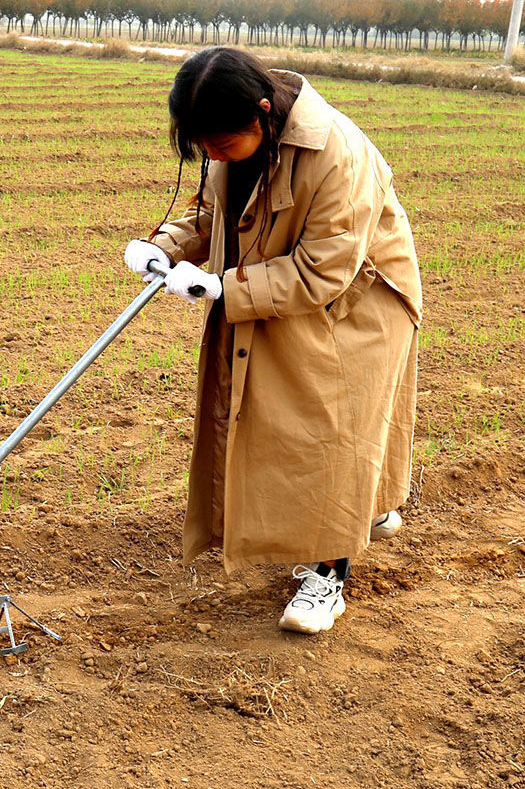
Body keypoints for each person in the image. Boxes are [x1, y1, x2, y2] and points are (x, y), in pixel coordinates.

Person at [124, 48, 422, 635]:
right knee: (274, 420)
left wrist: (219, 286)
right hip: (279, 286)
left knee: (329, 431)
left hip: (358, 304)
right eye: (201, 145)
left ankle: (328, 576)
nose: (211, 155)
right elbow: (210, 213)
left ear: (261, 113)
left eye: (220, 143)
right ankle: (370, 508)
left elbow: (320, 270)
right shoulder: (232, 144)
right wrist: (166, 244)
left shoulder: (337, 153)